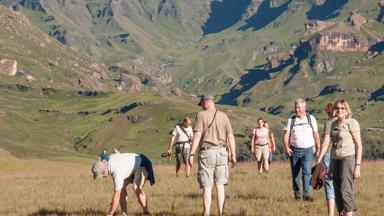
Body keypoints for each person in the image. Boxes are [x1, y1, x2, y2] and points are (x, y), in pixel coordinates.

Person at [188, 94, 236, 216]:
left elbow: (197, 135)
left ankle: (207, 213)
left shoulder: (201, 115)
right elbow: (230, 136)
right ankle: (221, 212)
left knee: (207, 186)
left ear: (205, 102)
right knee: (220, 185)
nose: (202, 107)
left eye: (202, 104)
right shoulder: (224, 116)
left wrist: (192, 153)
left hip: (207, 153)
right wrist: (233, 154)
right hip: (222, 152)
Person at [316, 99, 362, 216]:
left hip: (347, 158)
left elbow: (359, 145)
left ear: (347, 110)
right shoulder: (333, 124)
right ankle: (341, 213)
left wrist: (357, 166)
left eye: (342, 108)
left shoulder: (352, 123)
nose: (339, 110)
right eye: (337, 108)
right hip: (335, 160)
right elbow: (332, 147)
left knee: (345, 190)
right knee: (337, 190)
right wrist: (330, 166)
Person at [283, 98, 320, 201]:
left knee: (306, 172)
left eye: (299, 108)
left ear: (304, 107)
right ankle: (297, 195)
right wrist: (286, 147)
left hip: (308, 150)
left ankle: (307, 194)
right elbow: (286, 134)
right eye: (295, 107)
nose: (297, 110)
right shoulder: (291, 120)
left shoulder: (311, 119)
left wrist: (318, 148)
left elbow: (316, 134)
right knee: (295, 173)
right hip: (294, 150)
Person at [317, 103, 336, 216]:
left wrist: (319, 159)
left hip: (329, 155)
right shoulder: (346, 122)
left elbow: (325, 143)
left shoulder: (329, 123)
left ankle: (330, 214)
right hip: (342, 156)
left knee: (329, 184)